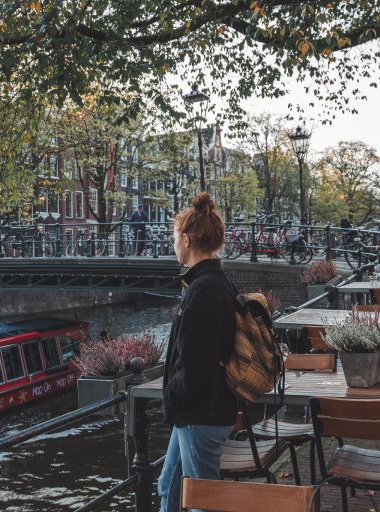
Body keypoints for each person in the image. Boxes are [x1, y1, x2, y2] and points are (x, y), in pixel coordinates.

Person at [158, 192, 237, 512]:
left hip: (199, 413)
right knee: (169, 487)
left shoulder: (203, 290)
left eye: (175, 237)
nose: (173, 244)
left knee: (204, 501)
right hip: (197, 411)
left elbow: (194, 362)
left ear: (187, 239)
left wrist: (174, 398)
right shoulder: (213, 282)